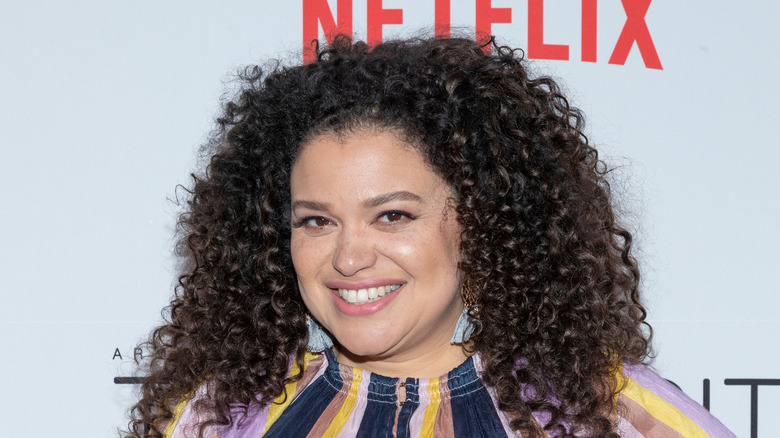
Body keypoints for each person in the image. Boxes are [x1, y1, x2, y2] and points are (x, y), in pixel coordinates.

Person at [125, 36, 734, 437]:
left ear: (483, 220)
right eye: (316, 220)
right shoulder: (219, 417)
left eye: (392, 215)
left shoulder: (610, 413)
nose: (349, 256)